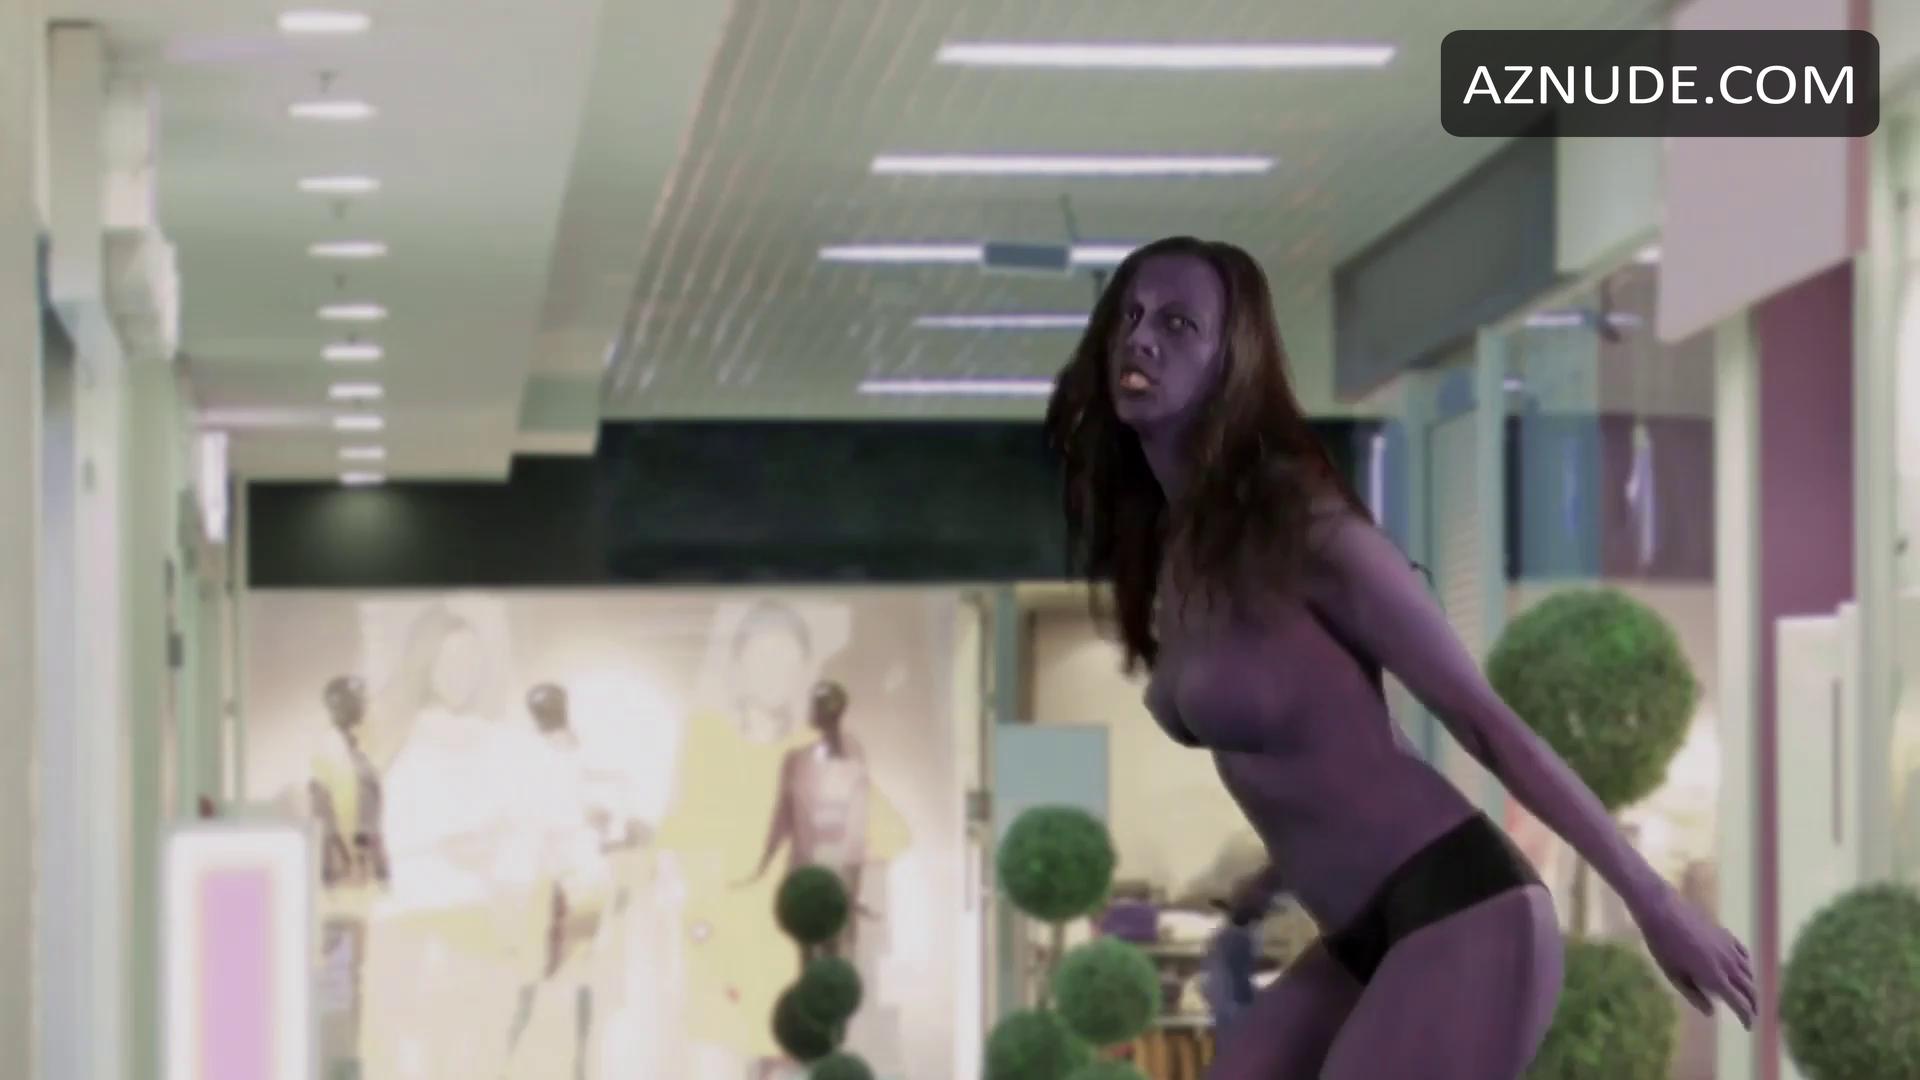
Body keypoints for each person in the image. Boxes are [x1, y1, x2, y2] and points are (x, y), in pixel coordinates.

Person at [1041, 236, 1755, 1079]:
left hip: (1463, 911)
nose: (1140, 338)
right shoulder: (1180, 548)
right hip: (1356, 932)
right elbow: (1311, 752)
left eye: (1176, 323)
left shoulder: (1303, 525)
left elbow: (1486, 725)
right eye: (1129, 316)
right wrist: (1264, 888)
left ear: (1232, 362)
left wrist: (1654, 902)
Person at [738, 680, 893, 954]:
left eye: (821, 706)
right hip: (806, 867)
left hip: (839, 867)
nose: (815, 711)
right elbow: (783, 815)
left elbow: (857, 821)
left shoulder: (854, 758)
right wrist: (764, 860)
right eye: (816, 705)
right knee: (807, 940)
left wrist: (854, 881)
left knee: (836, 943)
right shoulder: (796, 761)